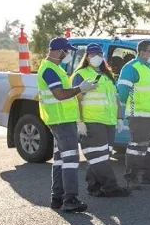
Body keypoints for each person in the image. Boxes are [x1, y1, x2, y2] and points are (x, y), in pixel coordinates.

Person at [37, 37, 97, 213]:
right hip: (61, 121)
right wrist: (80, 88)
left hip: (60, 120)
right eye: (67, 51)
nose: (68, 54)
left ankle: (58, 197)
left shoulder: (54, 68)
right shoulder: (50, 70)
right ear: (58, 51)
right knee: (70, 159)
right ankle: (70, 199)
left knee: (60, 159)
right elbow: (60, 95)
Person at [73, 43, 130, 198]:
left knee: (101, 156)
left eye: (98, 54)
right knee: (98, 156)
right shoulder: (81, 74)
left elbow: (115, 98)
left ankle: (94, 187)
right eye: (92, 55)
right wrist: (79, 121)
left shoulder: (107, 76)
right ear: (86, 57)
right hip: (92, 121)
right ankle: (111, 187)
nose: (96, 57)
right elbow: (74, 99)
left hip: (109, 121)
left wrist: (119, 118)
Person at [116, 40, 150, 188]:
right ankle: (131, 177)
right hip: (139, 115)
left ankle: (148, 175)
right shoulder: (131, 68)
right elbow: (123, 92)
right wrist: (125, 112)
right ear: (142, 52)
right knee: (137, 147)